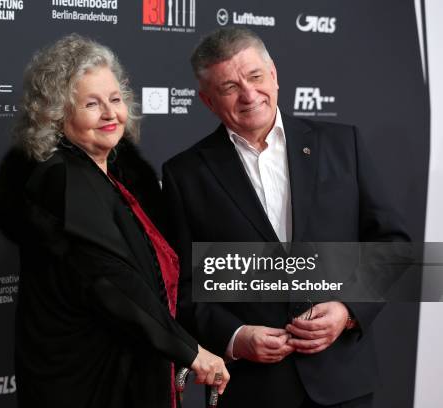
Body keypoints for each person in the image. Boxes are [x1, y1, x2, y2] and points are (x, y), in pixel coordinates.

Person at [162, 27, 410, 408]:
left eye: (256, 76)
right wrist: (237, 336)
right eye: (229, 87)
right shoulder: (185, 175)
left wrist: (347, 310)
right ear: (208, 101)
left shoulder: (343, 145)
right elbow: (184, 287)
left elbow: (391, 245)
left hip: (342, 381)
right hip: (252, 388)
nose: (248, 94)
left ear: (274, 74)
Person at [0, 34, 229, 408]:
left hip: (127, 369)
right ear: (57, 113)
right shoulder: (62, 179)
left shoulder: (108, 176)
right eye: (91, 104)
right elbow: (109, 280)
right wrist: (189, 349)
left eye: (115, 100)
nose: (110, 114)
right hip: (89, 381)